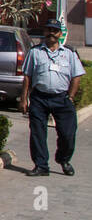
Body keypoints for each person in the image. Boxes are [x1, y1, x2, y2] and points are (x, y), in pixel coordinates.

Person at [20, 19, 83, 176]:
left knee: (68, 134)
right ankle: (41, 166)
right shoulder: (35, 52)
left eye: (54, 31)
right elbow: (27, 77)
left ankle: (64, 159)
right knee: (37, 133)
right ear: (44, 32)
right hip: (39, 98)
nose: (51, 33)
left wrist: (71, 96)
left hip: (62, 99)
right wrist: (23, 99)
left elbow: (76, 76)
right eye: (48, 30)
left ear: (60, 34)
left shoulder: (69, 53)